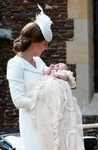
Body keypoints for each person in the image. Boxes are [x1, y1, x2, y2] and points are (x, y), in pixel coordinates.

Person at [6, 4, 85, 150]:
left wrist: (63, 78)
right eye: (45, 44)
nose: (46, 48)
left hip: (48, 122)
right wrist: (46, 104)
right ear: (35, 43)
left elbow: (51, 82)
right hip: (31, 122)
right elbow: (18, 100)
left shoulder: (39, 62)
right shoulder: (15, 64)